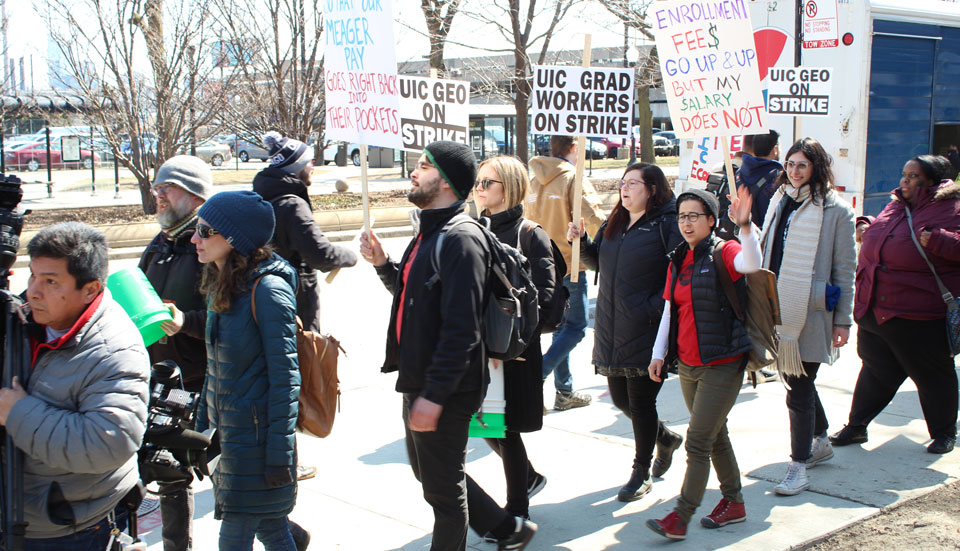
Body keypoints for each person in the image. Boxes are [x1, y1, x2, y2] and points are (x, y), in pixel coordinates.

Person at [359, 141, 536, 550]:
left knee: (443, 493)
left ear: (447, 182)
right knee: (429, 471)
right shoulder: (430, 232)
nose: (414, 172)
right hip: (420, 376)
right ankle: (508, 529)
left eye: (424, 166)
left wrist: (434, 397)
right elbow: (415, 299)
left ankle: (503, 531)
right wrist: (384, 265)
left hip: (446, 385)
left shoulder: (461, 239)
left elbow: (463, 329)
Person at [0, 222, 149, 549]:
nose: (34, 292)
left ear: (90, 290)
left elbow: (108, 443)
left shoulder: (114, 350)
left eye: (51, 281)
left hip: (72, 527)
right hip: (20, 513)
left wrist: (18, 412)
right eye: (33, 276)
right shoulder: (25, 319)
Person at [645, 186, 761, 541]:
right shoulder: (678, 258)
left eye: (695, 215)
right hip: (689, 365)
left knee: (697, 441)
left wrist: (745, 226)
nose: (687, 222)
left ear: (712, 220)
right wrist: (658, 353)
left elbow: (752, 264)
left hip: (723, 361)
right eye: (682, 216)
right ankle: (735, 503)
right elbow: (670, 309)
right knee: (715, 435)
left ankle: (681, 516)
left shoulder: (725, 251)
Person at [191, 191, 301, 551]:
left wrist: (279, 455)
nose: (195, 238)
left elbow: (286, 380)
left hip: (257, 445)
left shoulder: (268, 290)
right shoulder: (224, 286)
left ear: (233, 238)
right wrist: (201, 429)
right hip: (232, 439)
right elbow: (217, 369)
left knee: (235, 539)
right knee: (272, 529)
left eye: (205, 231)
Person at [831, 154, 960, 455]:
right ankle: (857, 426)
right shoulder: (898, 203)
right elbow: (890, 232)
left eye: (914, 176)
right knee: (876, 371)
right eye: (904, 173)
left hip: (918, 316)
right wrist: (868, 225)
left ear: (933, 181)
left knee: (932, 375)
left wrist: (940, 240)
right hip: (875, 310)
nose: (905, 180)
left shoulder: (951, 209)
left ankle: (944, 432)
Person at [571, 163, 685, 501]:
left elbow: (680, 271)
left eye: (633, 183)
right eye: (623, 182)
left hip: (648, 327)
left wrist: (654, 307)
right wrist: (584, 244)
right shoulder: (616, 222)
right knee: (621, 399)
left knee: (641, 401)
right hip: (612, 325)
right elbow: (599, 262)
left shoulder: (667, 223)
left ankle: (641, 470)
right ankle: (666, 438)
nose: (625, 188)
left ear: (652, 188)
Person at [756, 138, 856, 496]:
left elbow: (846, 269)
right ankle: (820, 439)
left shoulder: (836, 210)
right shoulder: (780, 199)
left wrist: (843, 321)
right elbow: (768, 248)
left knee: (797, 386)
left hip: (810, 312)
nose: (794, 171)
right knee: (799, 380)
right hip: (777, 307)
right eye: (790, 164)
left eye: (802, 165)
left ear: (816, 167)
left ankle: (798, 466)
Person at [473, 155, 553, 526]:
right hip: (480, 349)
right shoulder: (473, 229)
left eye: (487, 183)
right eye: (477, 181)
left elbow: (547, 299)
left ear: (511, 187)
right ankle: (530, 479)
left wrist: (512, 343)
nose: (479, 188)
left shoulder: (530, 234)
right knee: (486, 425)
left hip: (515, 351)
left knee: (507, 429)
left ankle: (517, 509)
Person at [138, 155, 211, 551]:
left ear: (193, 194)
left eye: (167, 188)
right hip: (164, 378)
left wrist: (186, 322)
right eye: (157, 188)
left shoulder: (209, 242)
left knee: (218, 463)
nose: (158, 195)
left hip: (200, 379)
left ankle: (282, 532)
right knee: (168, 468)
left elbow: (227, 317)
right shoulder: (159, 243)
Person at [528, 135, 606, 411]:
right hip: (569, 263)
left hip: (540, 265)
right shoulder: (574, 177)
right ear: (575, 148)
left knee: (560, 328)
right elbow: (592, 217)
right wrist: (613, 237)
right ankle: (538, 375)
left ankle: (565, 391)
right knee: (575, 328)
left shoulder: (536, 178)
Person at [252, 131, 358, 334]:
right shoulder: (293, 205)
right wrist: (351, 255)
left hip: (265, 297)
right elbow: (321, 255)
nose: (313, 167)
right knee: (302, 360)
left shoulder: (262, 196)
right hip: (296, 303)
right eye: (310, 162)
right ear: (297, 166)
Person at [737, 129, 782, 227]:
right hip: (762, 238)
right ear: (775, 149)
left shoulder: (739, 172)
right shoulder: (777, 179)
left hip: (739, 235)